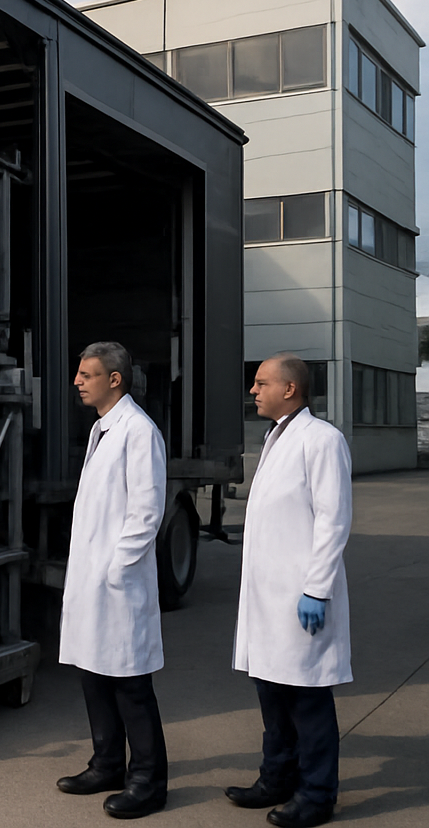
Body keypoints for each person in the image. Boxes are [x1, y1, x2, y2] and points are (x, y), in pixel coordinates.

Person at [228, 354, 352, 828]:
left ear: (291, 389)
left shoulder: (321, 440)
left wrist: (317, 590)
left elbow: (333, 520)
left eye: (262, 383)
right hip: (268, 598)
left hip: (301, 598)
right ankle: (277, 778)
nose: (253, 390)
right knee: (273, 694)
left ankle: (318, 794)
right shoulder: (275, 436)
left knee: (308, 698)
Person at [57, 342, 169, 819]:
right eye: (79, 374)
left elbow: (146, 512)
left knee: (129, 683)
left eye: (88, 374)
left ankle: (148, 780)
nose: (78, 381)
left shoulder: (138, 431)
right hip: (93, 578)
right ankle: (106, 764)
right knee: (94, 674)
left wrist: (117, 569)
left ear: (115, 379)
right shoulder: (103, 429)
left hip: (117, 581)